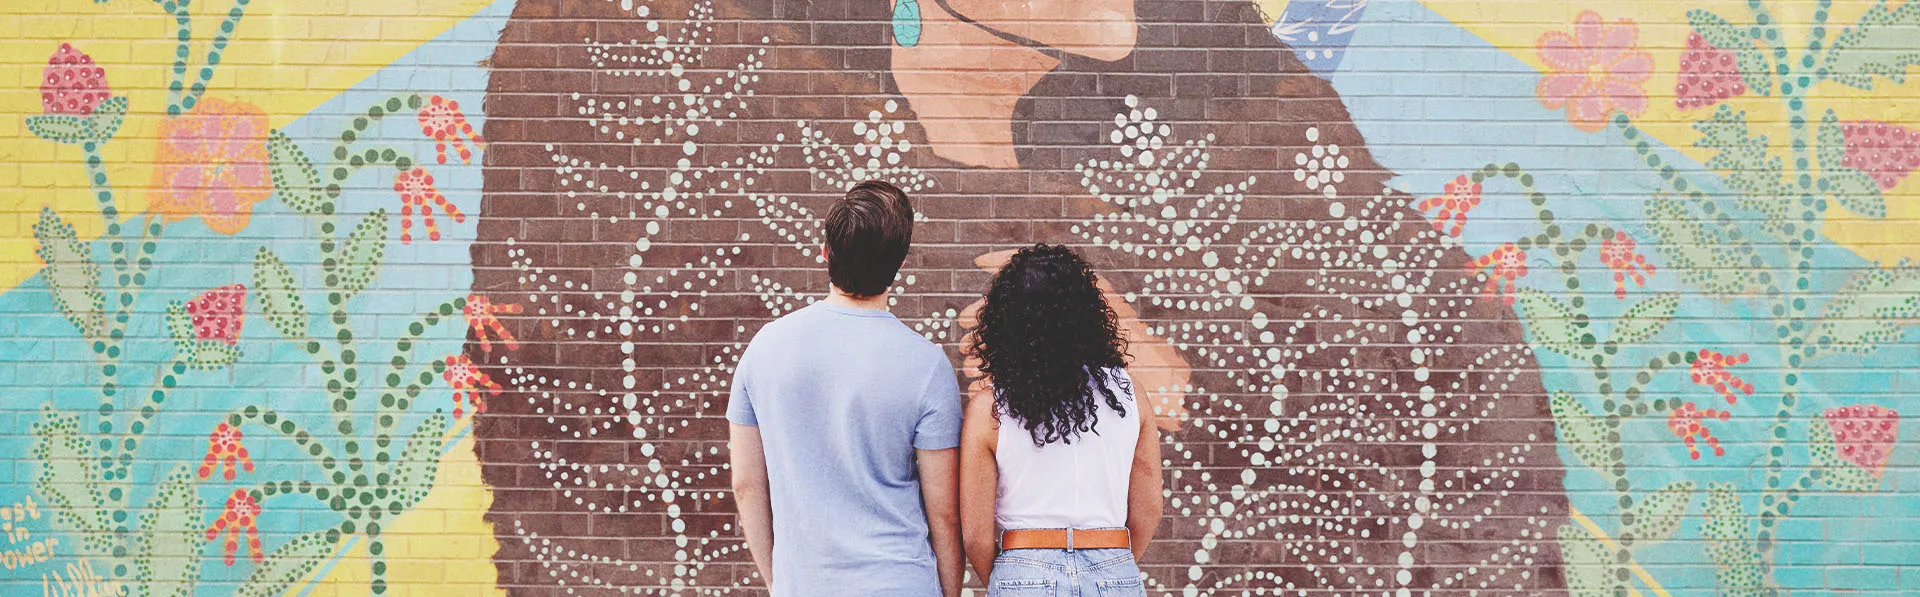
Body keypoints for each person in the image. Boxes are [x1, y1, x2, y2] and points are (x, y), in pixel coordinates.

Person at [727, 180, 964, 596]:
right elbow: (943, 513)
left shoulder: (765, 347)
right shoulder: (927, 365)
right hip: (899, 582)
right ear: (899, 263)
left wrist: (780, 582)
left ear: (825, 252)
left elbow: (746, 485)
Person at [959, 243, 1163, 595]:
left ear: (1008, 322)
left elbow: (976, 535)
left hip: (1024, 567)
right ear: (1086, 315)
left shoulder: (989, 409)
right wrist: (1112, 561)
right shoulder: (1131, 396)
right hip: (1112, 566)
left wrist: (1012, 579)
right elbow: (1148, 509)